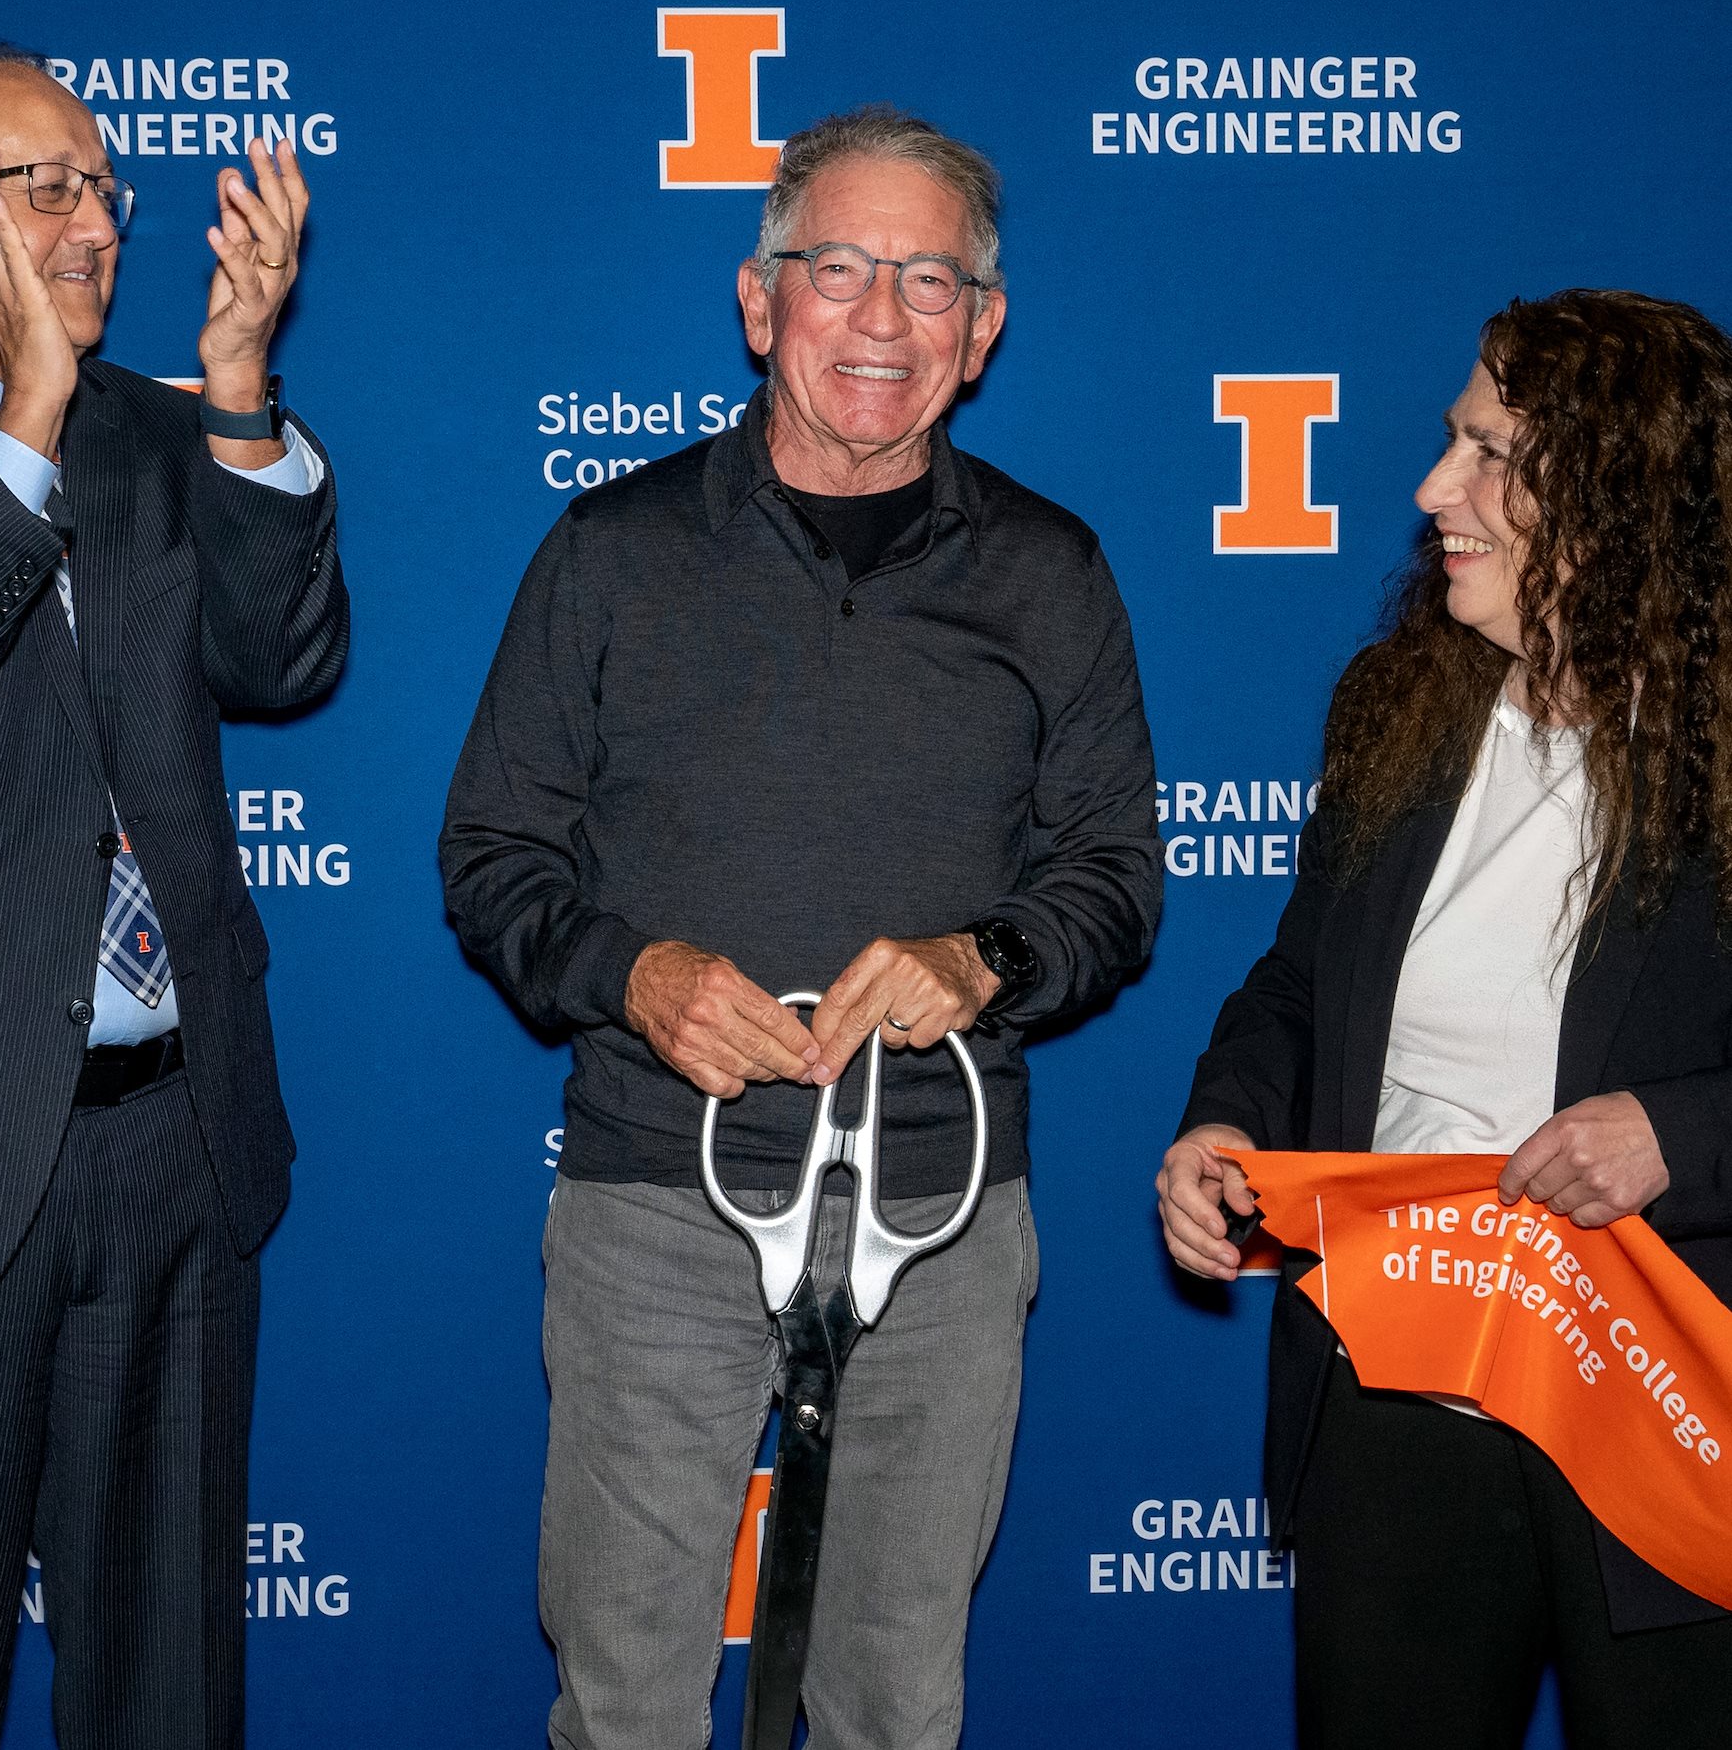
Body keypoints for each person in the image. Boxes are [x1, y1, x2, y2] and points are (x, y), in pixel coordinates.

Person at [441, 105, 1160, 1748]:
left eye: (929, 282)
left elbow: (1115, 875)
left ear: (981, 333)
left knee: (894, 1705)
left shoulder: (1054, 572)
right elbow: (493, 854)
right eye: (838, 270)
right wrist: (634, 974)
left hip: (948, 1218)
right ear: (760, 302)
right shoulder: (610, 553)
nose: (882, 320)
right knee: (625, 1702)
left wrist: (986, 961)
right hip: (656, 1213)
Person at [0, 40, 347, 1748]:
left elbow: (283, 662)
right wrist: (27, 421)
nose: (90, 222)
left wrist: (241, 398)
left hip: (172, 1149)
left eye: (102, 188)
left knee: (166, 1684)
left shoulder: (162, 432)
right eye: (37, 184)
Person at [1156, 289, 1732, 1749]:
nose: (1432, 492)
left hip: (1668, 1409)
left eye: (1489, 454)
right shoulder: (1394, 702)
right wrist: (1225, 1121)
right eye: (1448, 445)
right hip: (1397, 1404)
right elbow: (1297, 990)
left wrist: (1683, 1132)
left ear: (1617, 490)